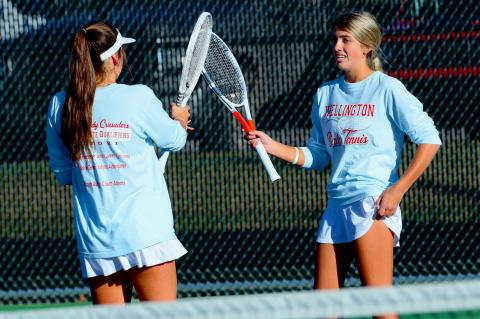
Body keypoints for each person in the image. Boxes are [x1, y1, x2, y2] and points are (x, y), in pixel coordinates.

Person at [246, 11, 441, 319]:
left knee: (380, 310)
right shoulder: (325, 94)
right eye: (335, 38)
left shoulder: (387, 89)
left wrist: (397, 189)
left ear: (367, 47)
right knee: (324, 311)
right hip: (335, 208)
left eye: (345, 39)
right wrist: (273, 147)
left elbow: (430, 140)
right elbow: (318, 155)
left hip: (371, 205)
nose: (337, 46)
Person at [46, 22, 192, 304]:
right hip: (146, 236)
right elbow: (175, 139)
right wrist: (180, 120)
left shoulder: (58, 105)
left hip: (98, 245)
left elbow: (64, 174)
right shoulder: (139, 97)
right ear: (115, 58)